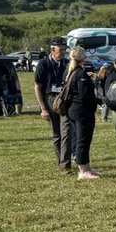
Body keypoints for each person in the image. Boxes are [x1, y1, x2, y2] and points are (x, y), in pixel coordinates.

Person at [34, 36, 72, 172]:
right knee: (57, 134)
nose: (62, 52)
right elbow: (37, 87)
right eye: (60, 50)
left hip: (64, 99)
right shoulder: (43, 64)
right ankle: (60, 160)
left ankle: (65, 165)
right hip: (50, 99)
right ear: (52, 49)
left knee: (67, 132)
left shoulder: (67, 64)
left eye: (64, 49)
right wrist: (43, 108)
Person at [62, 46, 100, 179]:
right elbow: (85, 95)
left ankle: (86, 167)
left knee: (79, 138)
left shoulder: (70, 72)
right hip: (81, 111)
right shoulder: (80, 74)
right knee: (83, 140)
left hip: (72, 109)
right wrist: (97, 101)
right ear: (82, 57)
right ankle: (83, 171)